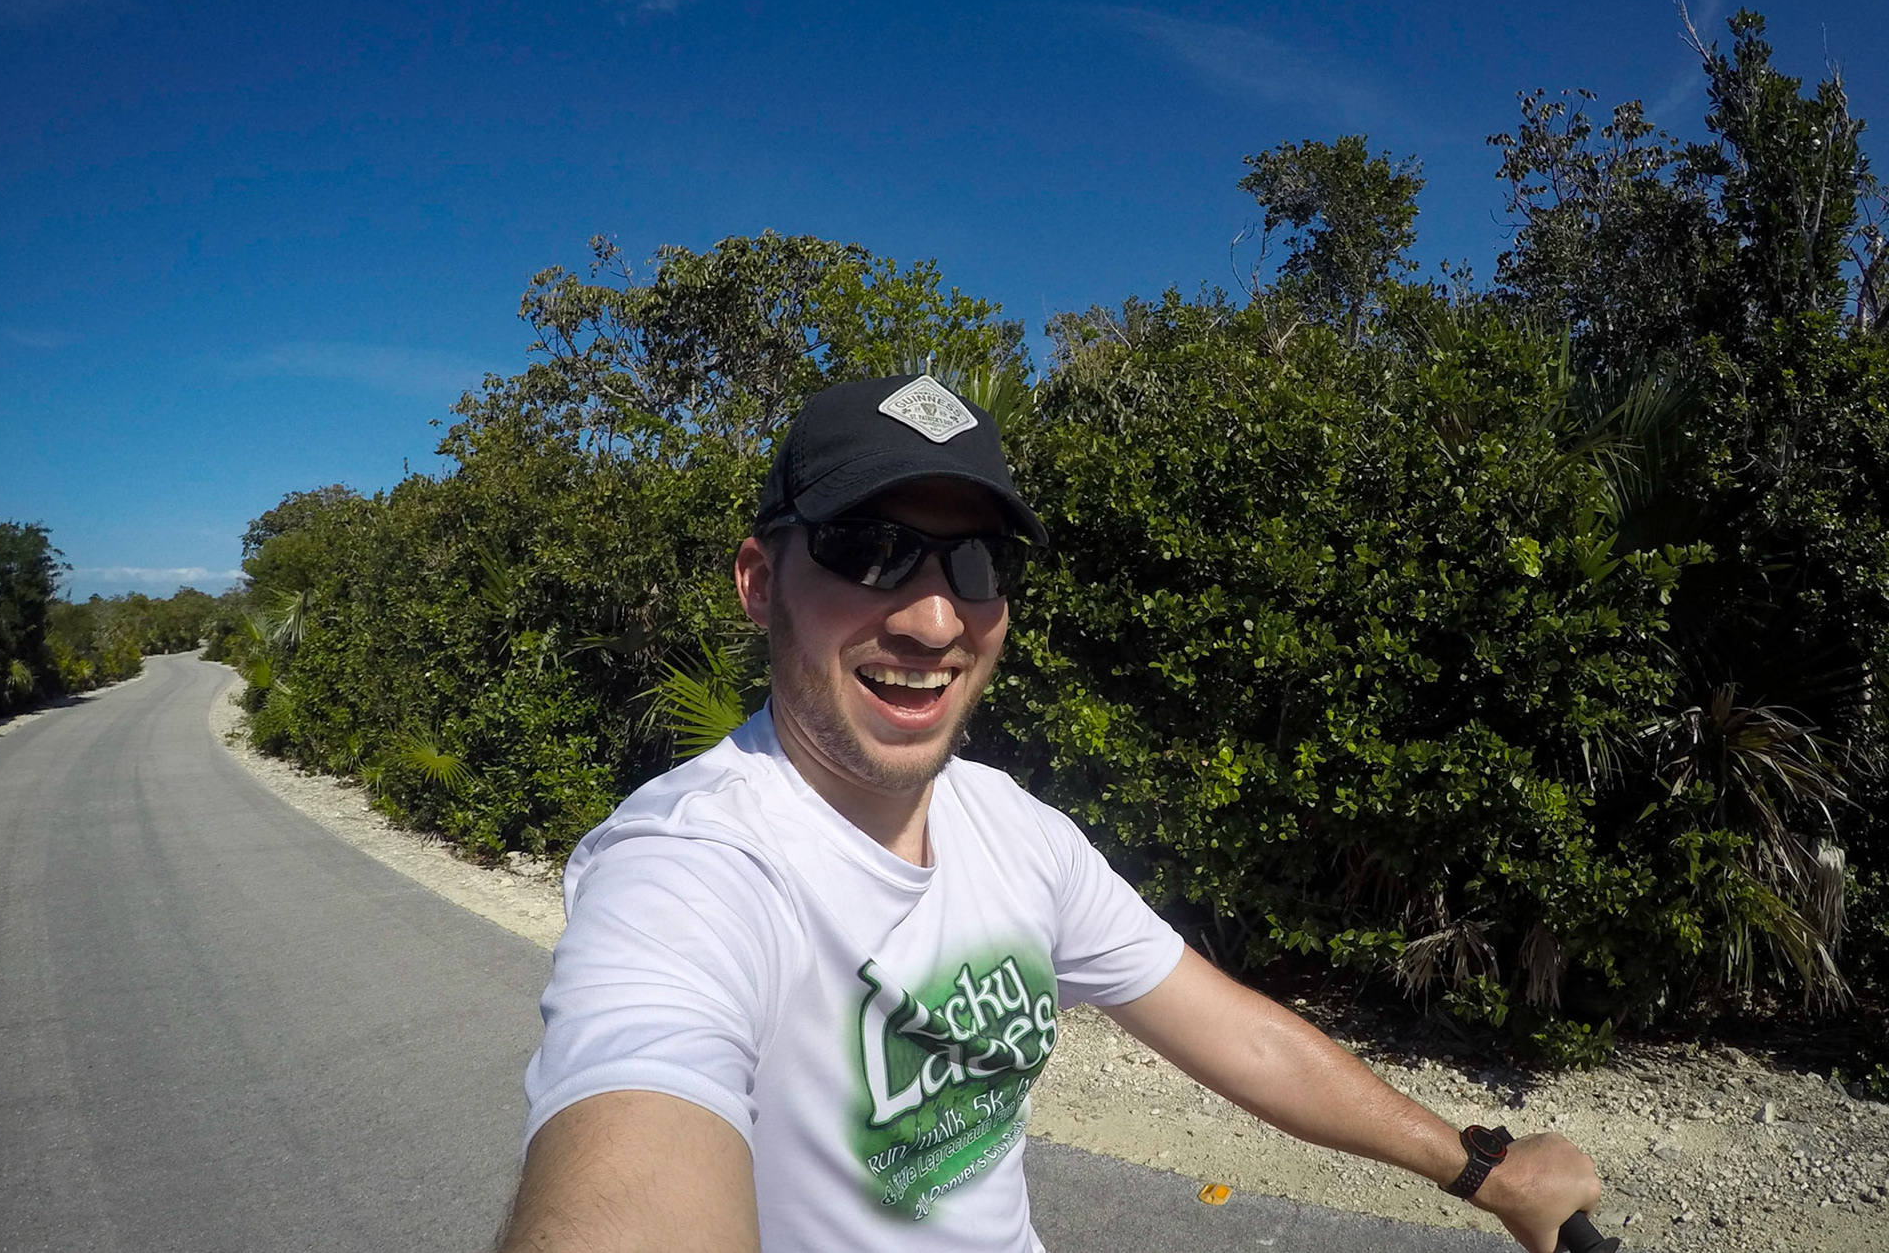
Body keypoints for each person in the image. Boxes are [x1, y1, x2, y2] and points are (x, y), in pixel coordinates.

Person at [496, 373, 1603, 1253]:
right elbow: (631, 1156)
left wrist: (1482, 1168)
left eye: (974, 560)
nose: (934, 616)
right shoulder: (689, 866)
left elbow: (1242, 1035)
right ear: (756, 579)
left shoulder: (1012, 826)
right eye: (868, 547)